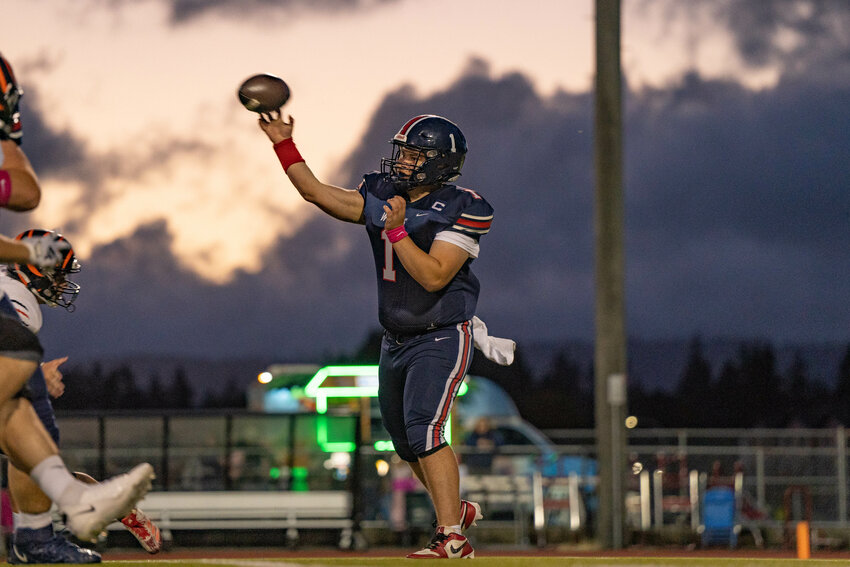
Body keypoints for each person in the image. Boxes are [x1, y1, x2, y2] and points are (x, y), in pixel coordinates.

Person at [258, 111, 514, 559]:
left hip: (440, 335)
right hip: (395, 337)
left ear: (439, 162)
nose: (402, 161)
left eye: (414, 154)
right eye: (403, 151)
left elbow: (434, 276)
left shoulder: (465, 205)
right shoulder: (384, 192)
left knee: (424, 428)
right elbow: (316, 193)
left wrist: (396, 230)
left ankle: (452, 535)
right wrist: (283, 143)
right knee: (402, 440)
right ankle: (455, 509)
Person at [0, 52, 153, 548]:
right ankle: (52, 525)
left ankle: (57, 520)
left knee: (24, 422)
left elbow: (24, 194)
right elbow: (24, 193)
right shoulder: (18, 297)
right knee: (24, 393)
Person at [1, 229, 162, 563]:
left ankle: (46, 528)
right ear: (33, 270)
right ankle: (61, 518)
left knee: (26, 440)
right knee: (28, 418)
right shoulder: (18, 299)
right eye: (57, 274)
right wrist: (29, 375)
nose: (62, 285)